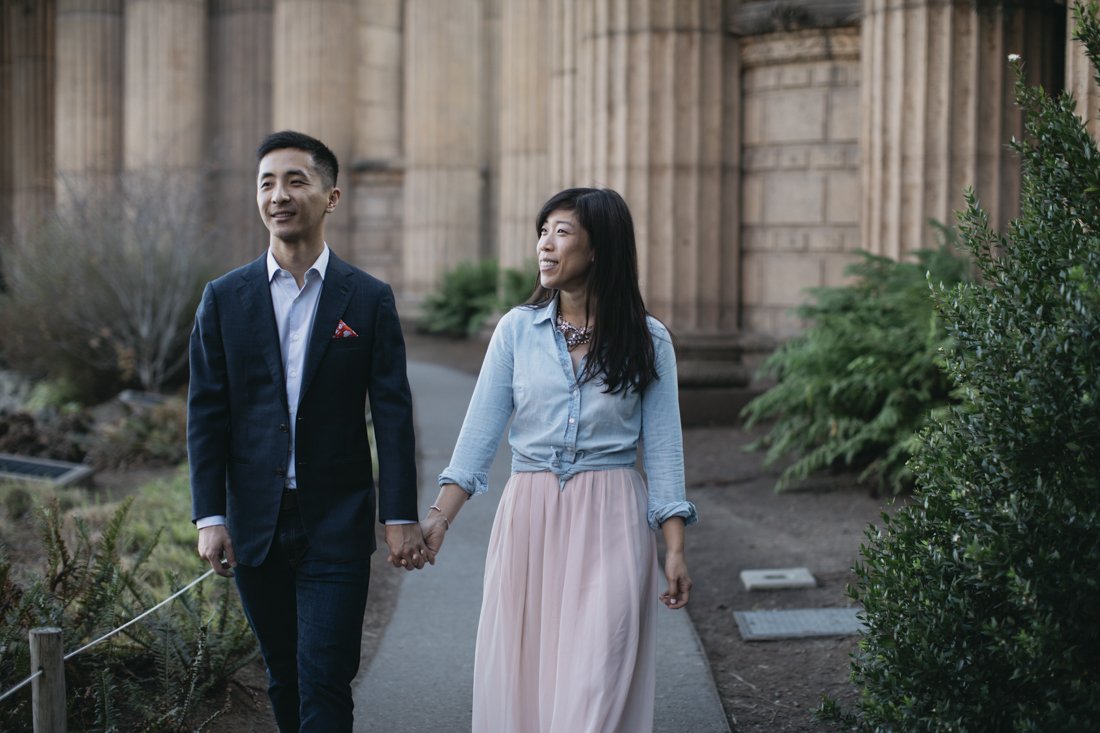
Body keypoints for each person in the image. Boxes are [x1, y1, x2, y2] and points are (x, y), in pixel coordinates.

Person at [421, 187, 697, 733]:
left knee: (600, 673)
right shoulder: (516, 332)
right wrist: (438, 517)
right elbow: (478, 437)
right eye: (542, 232)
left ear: (599, 248)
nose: (545, 245)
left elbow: (664, 451)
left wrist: (674, 548)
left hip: (612, 515)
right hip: (531, 512)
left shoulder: (648, 339)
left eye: (562, 232)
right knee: (526, 673)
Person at [188, 130, 430, 733]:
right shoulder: (223, 298)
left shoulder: (368, 299)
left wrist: (399, 514)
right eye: (267, 182)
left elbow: (393, 414)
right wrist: (209, 516)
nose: (279, 195)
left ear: (331, 196)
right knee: (283, 675)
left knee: (325, 675)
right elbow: (206, 413)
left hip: (337, 519)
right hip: (255, 521)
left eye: (296, 180)